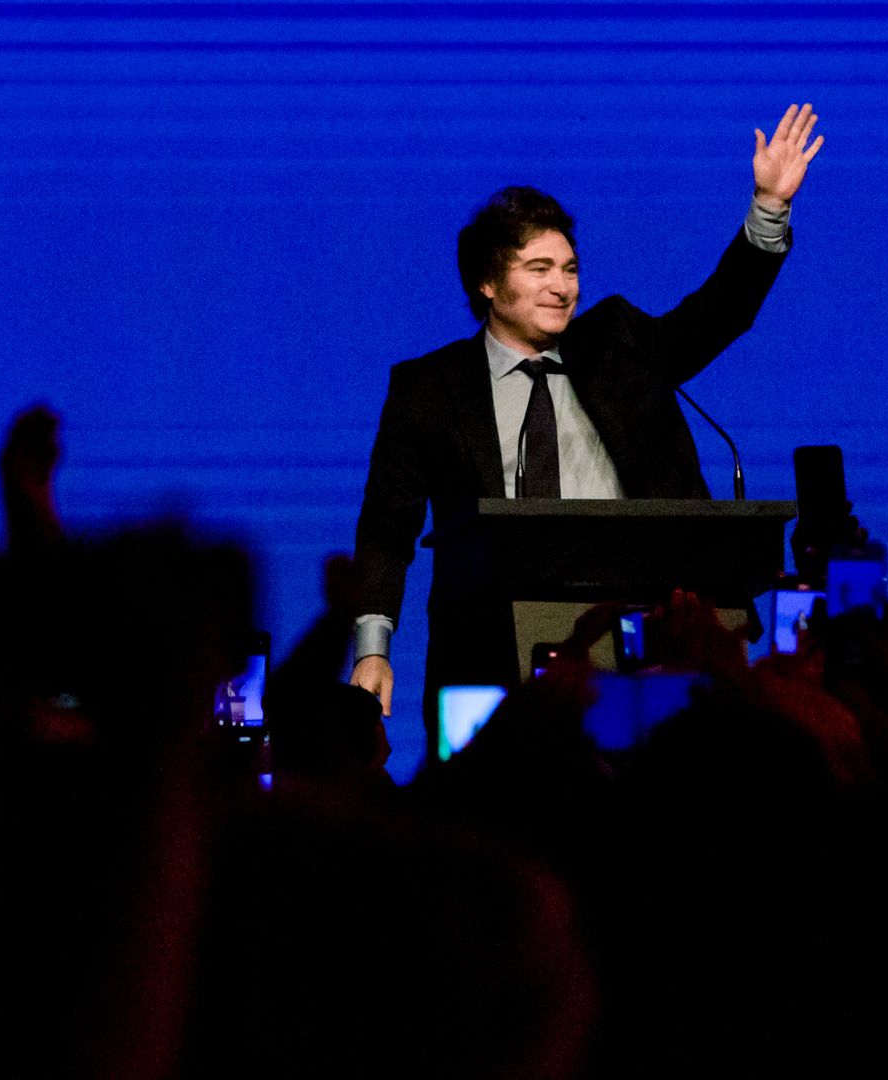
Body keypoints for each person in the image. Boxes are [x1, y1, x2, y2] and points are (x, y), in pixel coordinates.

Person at [348, 105, 824, 744]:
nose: (562, 288)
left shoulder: (618, 345)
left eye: (569, 269)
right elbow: (387, 526)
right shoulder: (429, 388)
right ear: (489, 283)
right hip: (487, 654)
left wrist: (768, 206)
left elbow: (719, 314)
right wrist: (373, 649)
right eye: (538, 270)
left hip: (641, 648)